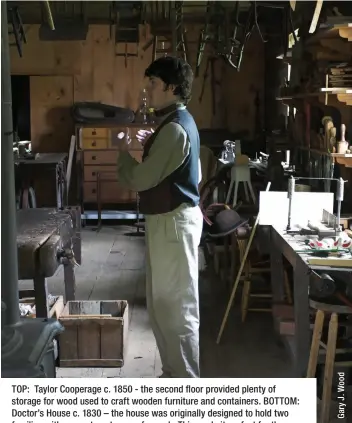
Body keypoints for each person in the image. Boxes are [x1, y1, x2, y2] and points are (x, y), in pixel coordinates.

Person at [117, 56, 203, 378]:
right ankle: (173, 374)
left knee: (177, 311)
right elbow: (190, 169)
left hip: (173, 224)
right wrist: (152, 149)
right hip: (170, 222)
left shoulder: (174, 129)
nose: (148, 90)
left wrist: (123, 152)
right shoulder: (179, 123)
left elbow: (139, 180)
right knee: (163, 306)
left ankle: (186, 386)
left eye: (153, 84)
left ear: (172, 87)